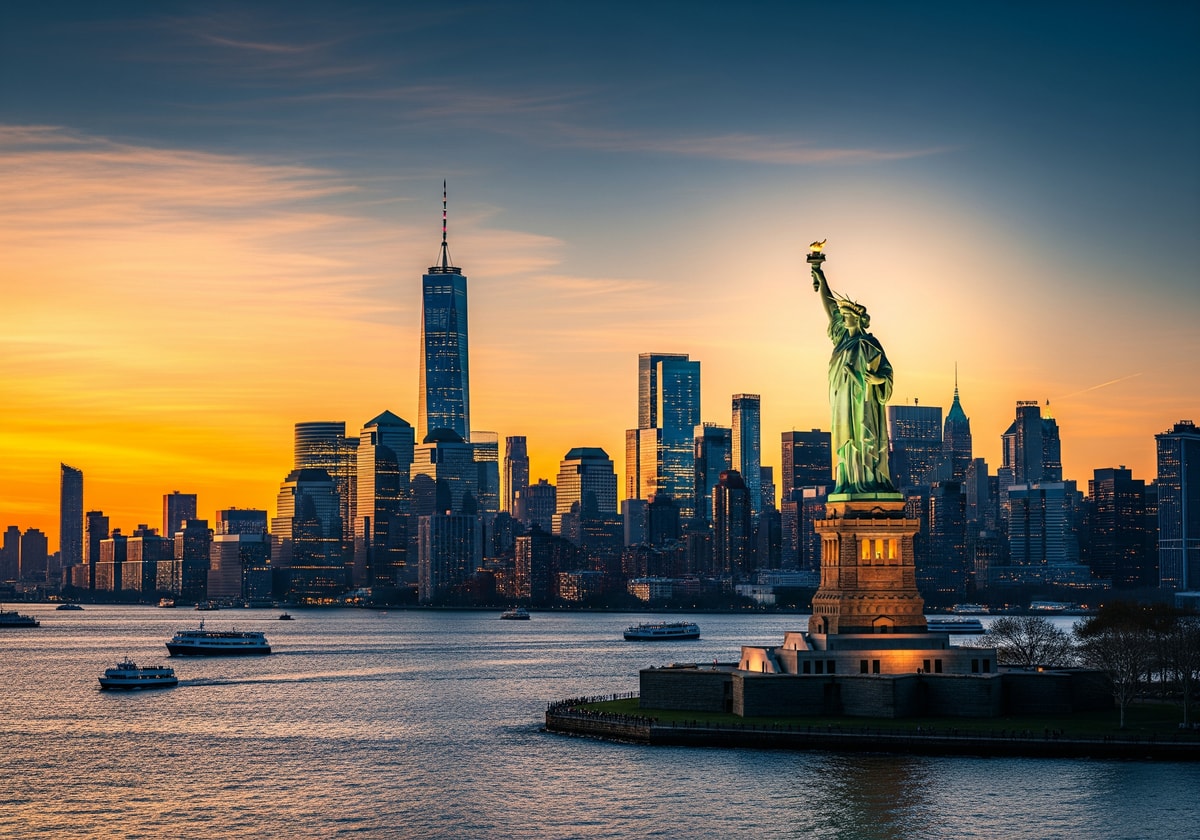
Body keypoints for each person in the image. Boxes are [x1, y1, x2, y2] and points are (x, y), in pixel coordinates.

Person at [812, 261, 897, 495]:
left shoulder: (870, 344)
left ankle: (870, 478)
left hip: (865, 400)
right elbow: (830, 309)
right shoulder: (842, 340)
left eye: (848, 316)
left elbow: (887, 372)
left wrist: (877, 380)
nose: (843, 318)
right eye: (844, 316)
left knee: (864, 437)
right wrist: (821, 277)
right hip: (842, 401)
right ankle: (850, 480)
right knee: (847, 440)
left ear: (857, 319)